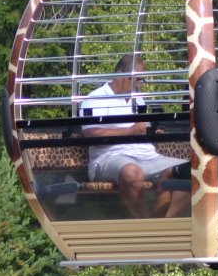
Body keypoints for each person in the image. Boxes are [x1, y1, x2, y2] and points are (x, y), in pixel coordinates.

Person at [80, 54, 188, 217]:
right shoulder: (95, 99)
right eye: (138, 80)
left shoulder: (137, 99)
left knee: (190, 170)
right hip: (110, 158)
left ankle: (162, 225)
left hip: (147, 156)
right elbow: (91, 133)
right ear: (123, 76)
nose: (141, 85)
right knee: (132, 173)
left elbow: (141, 129)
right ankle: (145, 227)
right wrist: (130, 131)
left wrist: (150, 133)